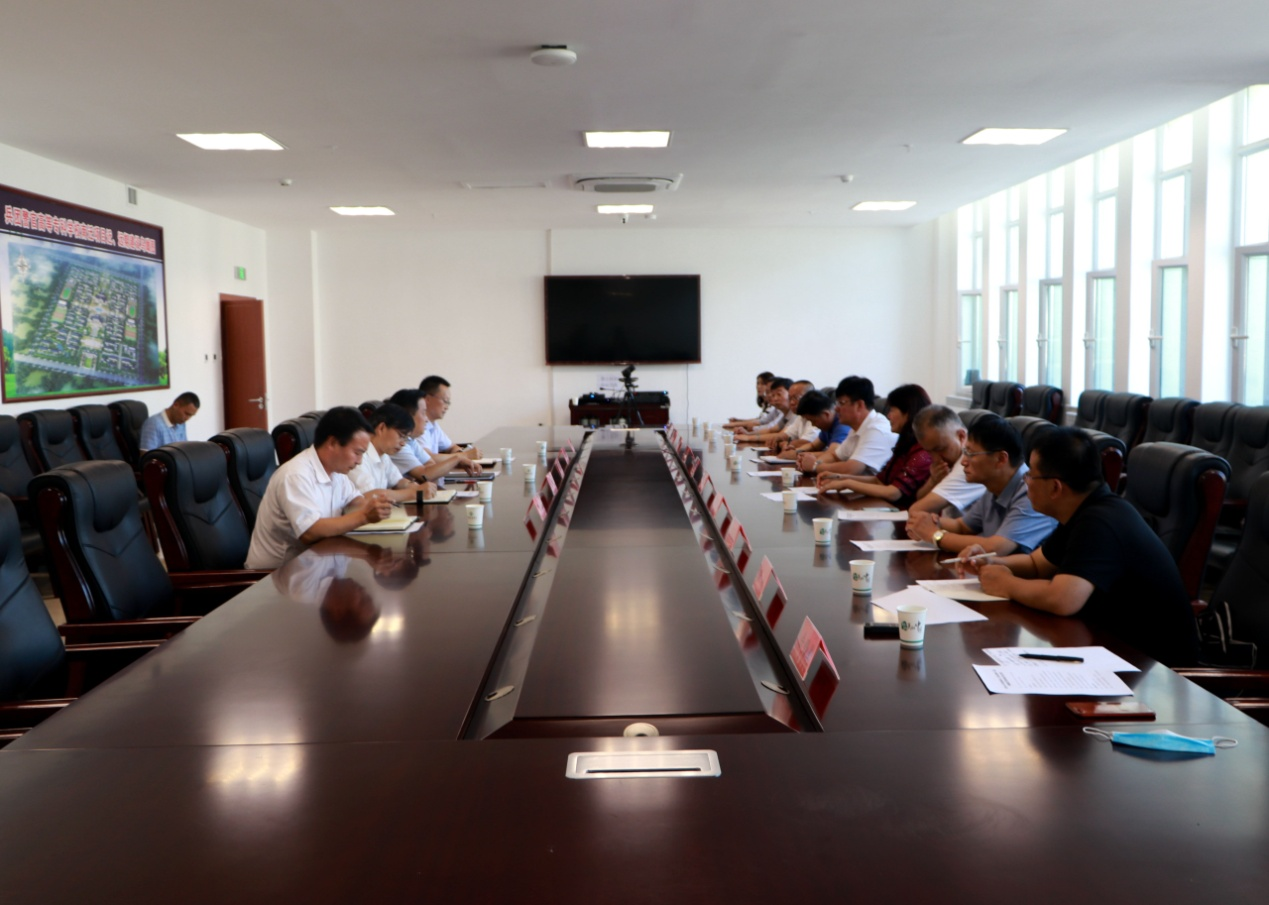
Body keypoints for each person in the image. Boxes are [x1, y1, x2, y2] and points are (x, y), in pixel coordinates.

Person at [965, 426, 1199, 666]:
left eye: (1031, 475)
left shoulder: (1100, 521)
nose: (1026, 482)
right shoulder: (1084, 509)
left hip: (1155, 666)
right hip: (1111, 647)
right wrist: (991, 561)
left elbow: (1063, 599)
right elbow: (1037, 564)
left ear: (1055, 487)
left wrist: (1006, 584)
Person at [245, 407, 394, 570]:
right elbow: (310, 532)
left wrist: (374, 506)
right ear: (333, 443)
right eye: (357, 453)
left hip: (316, 563)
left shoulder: (337, 471)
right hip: (275, 575)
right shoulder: (295, 475)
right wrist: (365, 516)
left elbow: (355, 501)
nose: (359, 461)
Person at [905, 413, 1055, 554]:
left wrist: (936, 536)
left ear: (1001, 459)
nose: (963, 462)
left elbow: (997, 547)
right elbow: (962, 526)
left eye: (971, 454)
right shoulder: (994, 487)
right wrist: (930, 522)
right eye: (965, 453)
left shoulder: (1031, 490)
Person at [817, 384, 932, 509]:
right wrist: (839, 478)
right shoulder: (905, 443)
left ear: (908, 413)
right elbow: (879, 481)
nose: (888, 416)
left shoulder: (922, 450)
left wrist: (847, 483)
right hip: (889, 508)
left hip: (906, 514)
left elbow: (893, 493)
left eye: (892, 410)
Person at [801, 376, 896, 479]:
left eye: (841, 403)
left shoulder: (876, 429)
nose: (836, 409)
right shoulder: (856, 428)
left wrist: (815, 466)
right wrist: (814, 462)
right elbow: (835, 456)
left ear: (859, 405)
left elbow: (852, 469)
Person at [907, 406, 989, 516]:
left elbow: (917, 510)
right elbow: (919, 498)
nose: (936, 459)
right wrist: (933, 481)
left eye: (940, 449)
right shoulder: (950, 459)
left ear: (961, 436)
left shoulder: (970, 465)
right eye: (929, 452)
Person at [348, 403, 438, 502]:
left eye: (406, 439)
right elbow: (369, 496)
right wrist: (415, 493)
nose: (403, 443)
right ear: (382, 428)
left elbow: (398, 481)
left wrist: (413, 486)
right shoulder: (359, 455)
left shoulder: (384, 455)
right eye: (401, 436)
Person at [387, 388, 480, 482]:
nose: (426, 419)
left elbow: (430, 464)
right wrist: (458, 458)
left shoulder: (411, 440)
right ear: (408, 417)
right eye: (423, 413)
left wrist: (457, 459)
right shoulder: (398, 445)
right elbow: (425, 474)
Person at [419, 375, 481, 459]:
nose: (447, 407)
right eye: (445, 401)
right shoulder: (417, 426)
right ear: (427, 399)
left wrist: (460, 454)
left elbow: (452, 447)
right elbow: (427, 459)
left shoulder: (433, 425)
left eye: (448, 402)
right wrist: (464, 456)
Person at [786, 389, 849, 460]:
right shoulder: (827, 426)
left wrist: (798, 454)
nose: (813, 425)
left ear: (826, 414)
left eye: (813, 421)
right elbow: (813, 446)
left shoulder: (842, 425)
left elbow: (832, 454)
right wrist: (796, 451)